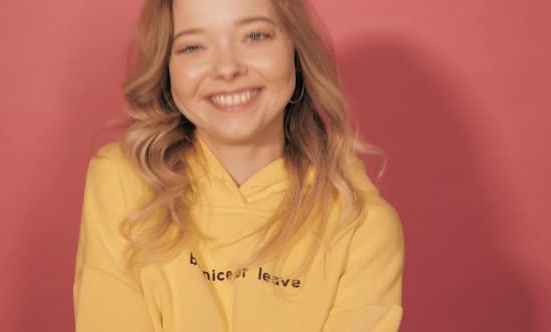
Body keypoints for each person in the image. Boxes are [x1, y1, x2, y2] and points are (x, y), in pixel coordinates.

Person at [72, 0, 405, 331]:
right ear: (166, 67)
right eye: (193, 46)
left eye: (255, 36)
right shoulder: (121, 181)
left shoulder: (362, 226)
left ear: (296, 48)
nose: (227, 68)